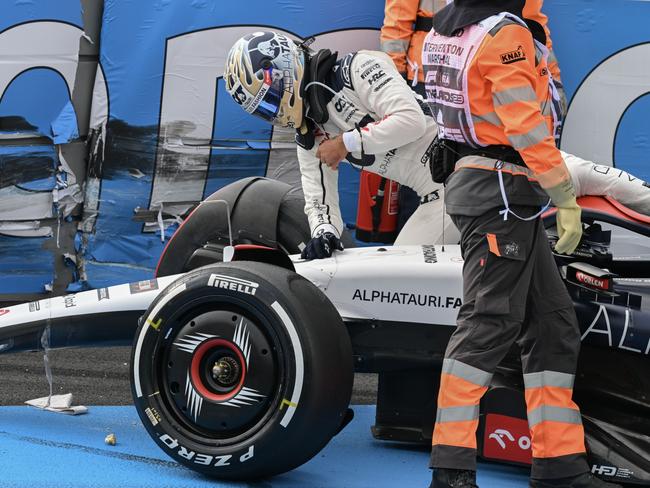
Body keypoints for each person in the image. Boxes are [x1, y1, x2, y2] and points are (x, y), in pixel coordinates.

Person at [421, 1, 621, 487]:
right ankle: (450, 467)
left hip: (496, 192)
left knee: (552, 326)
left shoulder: (445, 30)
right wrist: (565, 195)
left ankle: (559, 467)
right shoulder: (504, 34)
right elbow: (525, 126)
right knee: (487, 323)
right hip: (501, 195)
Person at [223, 31, 454, 259]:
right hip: (437, 194)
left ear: (284, 69)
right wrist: (324, 232)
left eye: (270, 100)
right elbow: (318, 199)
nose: (274, 113)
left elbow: (410, 120)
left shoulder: (357, 68)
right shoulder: (308, 132)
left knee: (406, 280)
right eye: (263, 110)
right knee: (401, 276)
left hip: (463, 174)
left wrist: (346, 142)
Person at [381, 0, 449, 237]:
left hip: (476, 79)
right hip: (424, 78)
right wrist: (393, 83)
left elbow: (531, 23)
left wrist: (549, 78)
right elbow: (397, 22)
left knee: (473, 171)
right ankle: (410, 258)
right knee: (419, 171)